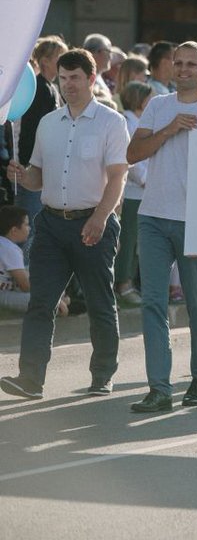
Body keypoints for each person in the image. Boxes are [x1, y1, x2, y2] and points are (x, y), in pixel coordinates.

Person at [0, 49, 129, 400]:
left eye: (75, 77)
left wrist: (102, 218)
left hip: (94, 222)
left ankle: (102, 374)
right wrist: (22, 175)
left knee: (101, 303)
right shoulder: (48, 123)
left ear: (90, 78)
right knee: (40, 302)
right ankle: (31, 380)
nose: (68, 84)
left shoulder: (111, 122)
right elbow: (38, 178)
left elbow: (118, 177)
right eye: (63, 77)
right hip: (52, 226)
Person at [126, 41, 197, 412]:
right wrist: (169, 130)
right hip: (152, 216)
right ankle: (159, 388)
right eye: (177, 63)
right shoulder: (157, 106)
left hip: (195, 220)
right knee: (153, 302)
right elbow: (132, 155)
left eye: (190, 64)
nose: (182, 69)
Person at [13, 36, 67, 252]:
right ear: (45, 60)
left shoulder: (51, 88)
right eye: (59, 58)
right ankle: (22, 276)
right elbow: (31, 130)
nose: (64, 62)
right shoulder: (40, 88)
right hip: (33, 168)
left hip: (44, 168)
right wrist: (30, 166)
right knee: (29, 226)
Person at [114, 81, 154, 308]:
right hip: (131, 192)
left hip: (144, 193)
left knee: (139, 241)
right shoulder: (128, 122)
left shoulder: (141, 122)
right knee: (128, 240)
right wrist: (148, 180)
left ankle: (131, 282)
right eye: (149, 98)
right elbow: (132, 159)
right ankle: (123, 284)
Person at [0, 206, 36, 312]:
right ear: (14, 230)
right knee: (46, 301)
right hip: (2, 295)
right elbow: (25, 286)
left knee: (36, 270)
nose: (29, 228)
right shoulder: (10, 249)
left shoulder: (4, 243)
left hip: (8, 288)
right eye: (26, 225)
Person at [82, 34, 115, 102]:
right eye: (109, 52)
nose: (110, 57)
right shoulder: (83, 77)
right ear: (97, 52)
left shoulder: (98, 75)